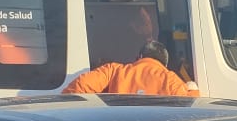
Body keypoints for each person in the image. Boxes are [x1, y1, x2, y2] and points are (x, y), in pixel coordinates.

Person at [62, 40, 199, 97]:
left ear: (138, 57)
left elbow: (78, 88)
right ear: (165, 64)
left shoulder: (113, 71)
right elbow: (190, 113)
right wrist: (193, 91)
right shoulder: (171, 80)